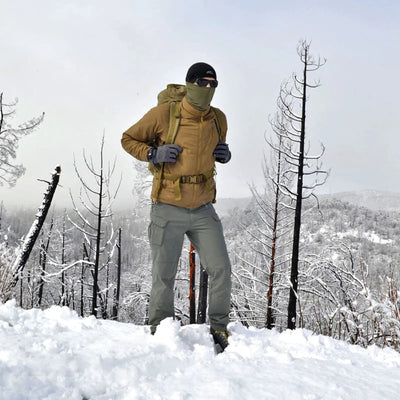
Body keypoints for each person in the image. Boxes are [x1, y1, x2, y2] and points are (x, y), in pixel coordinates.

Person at [121, 62, 232, 350]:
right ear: (191, 84)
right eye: (203, 83)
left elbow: (214, 150)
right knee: (164, 273)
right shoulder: (165, 114)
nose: (208, 88)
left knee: (220, 268)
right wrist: (152, 152)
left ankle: (220, 329)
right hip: (168, 205)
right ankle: (160, 331)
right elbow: (128, 138)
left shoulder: (219, 118)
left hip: (204, 208)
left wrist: (224, 154)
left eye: (213, 84)